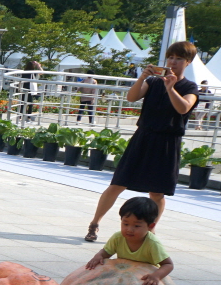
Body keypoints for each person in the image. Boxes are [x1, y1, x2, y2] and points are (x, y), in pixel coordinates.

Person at [84, 41, 199, 242]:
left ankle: (150, 230)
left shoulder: (189, 87)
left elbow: (183, 108)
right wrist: (143, 77)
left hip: (167, 142)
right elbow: (131, 97)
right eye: (171, 57)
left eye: (179, 59)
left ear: (188, 62)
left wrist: (171, 88)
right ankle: (94, 223)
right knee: (117, 184)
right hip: (143, 136)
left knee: (157, 192)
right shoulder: (154, 82)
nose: (173, 62)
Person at [85, 197, 174, 285]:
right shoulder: (118, 237)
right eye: (125, 224)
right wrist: (99, 255)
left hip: (143, 280)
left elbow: (168, 264)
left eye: (136, 226)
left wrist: (156, 276)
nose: (129, 229)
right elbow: (105, 253)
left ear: (150, 226)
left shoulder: (152, 243)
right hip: (122, 277)